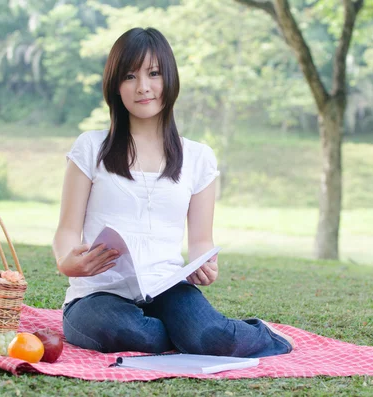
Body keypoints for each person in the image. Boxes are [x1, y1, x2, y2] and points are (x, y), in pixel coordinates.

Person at [52, 27, 294, 357]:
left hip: (167, 287)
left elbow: (200, 242)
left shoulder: (198, 158)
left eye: (154, 74)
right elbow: (67, 231)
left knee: (212, 337)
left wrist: (203, 264)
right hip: (97, 294)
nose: (143, 87)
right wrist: (69, 263)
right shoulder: (90, 147)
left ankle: (257, 334)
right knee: (133, 333)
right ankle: (183, 334)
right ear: (115, 86)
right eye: (129, 76)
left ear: (170, 78)